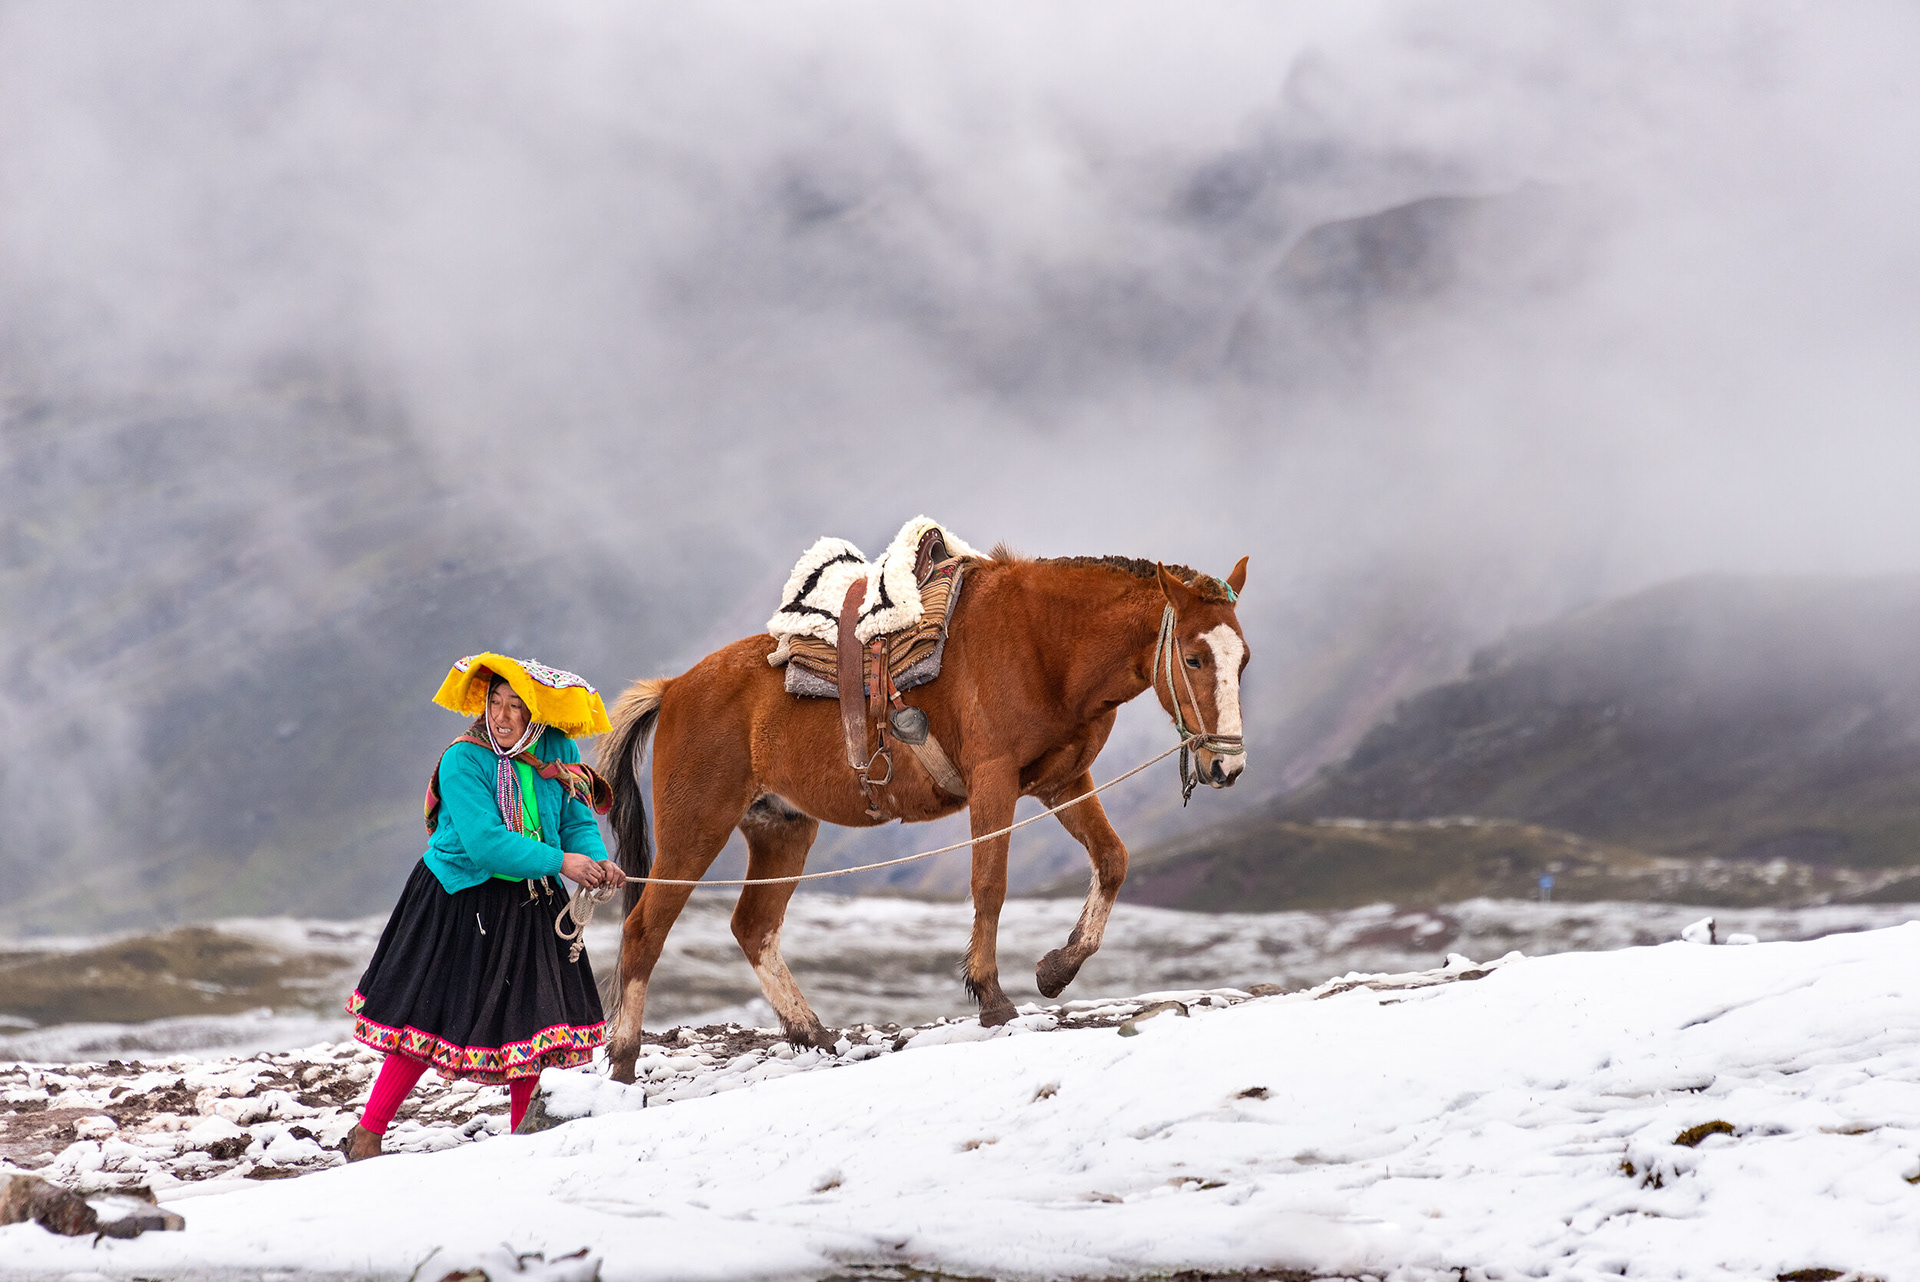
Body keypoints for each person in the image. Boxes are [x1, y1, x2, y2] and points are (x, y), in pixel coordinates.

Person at [342, 653, 627, 1160]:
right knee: (425, 1018)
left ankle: (522, 1143)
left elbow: (577, 820)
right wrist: (566, 862)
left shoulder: (557, 750)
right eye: (495, 702)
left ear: (536, 710)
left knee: (533, 1023)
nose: (502, 715)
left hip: (531, 897)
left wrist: (598, 862)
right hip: (459, 898)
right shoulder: (462, 760)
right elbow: (486, 843)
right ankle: (368, 1133)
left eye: (516, 705)